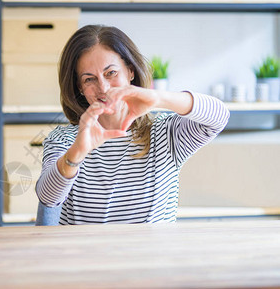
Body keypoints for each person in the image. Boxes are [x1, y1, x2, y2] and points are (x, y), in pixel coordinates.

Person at [35, 25, 229, 225]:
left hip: (149, 255)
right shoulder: (63, 140)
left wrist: (158, 98)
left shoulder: (164, 133)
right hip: (85, 255)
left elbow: (219, 117)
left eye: (110, 73)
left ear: (130, 71)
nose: (103, 87)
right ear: (80, 88)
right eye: (89, 79)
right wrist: (77, 151)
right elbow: (48, 199)